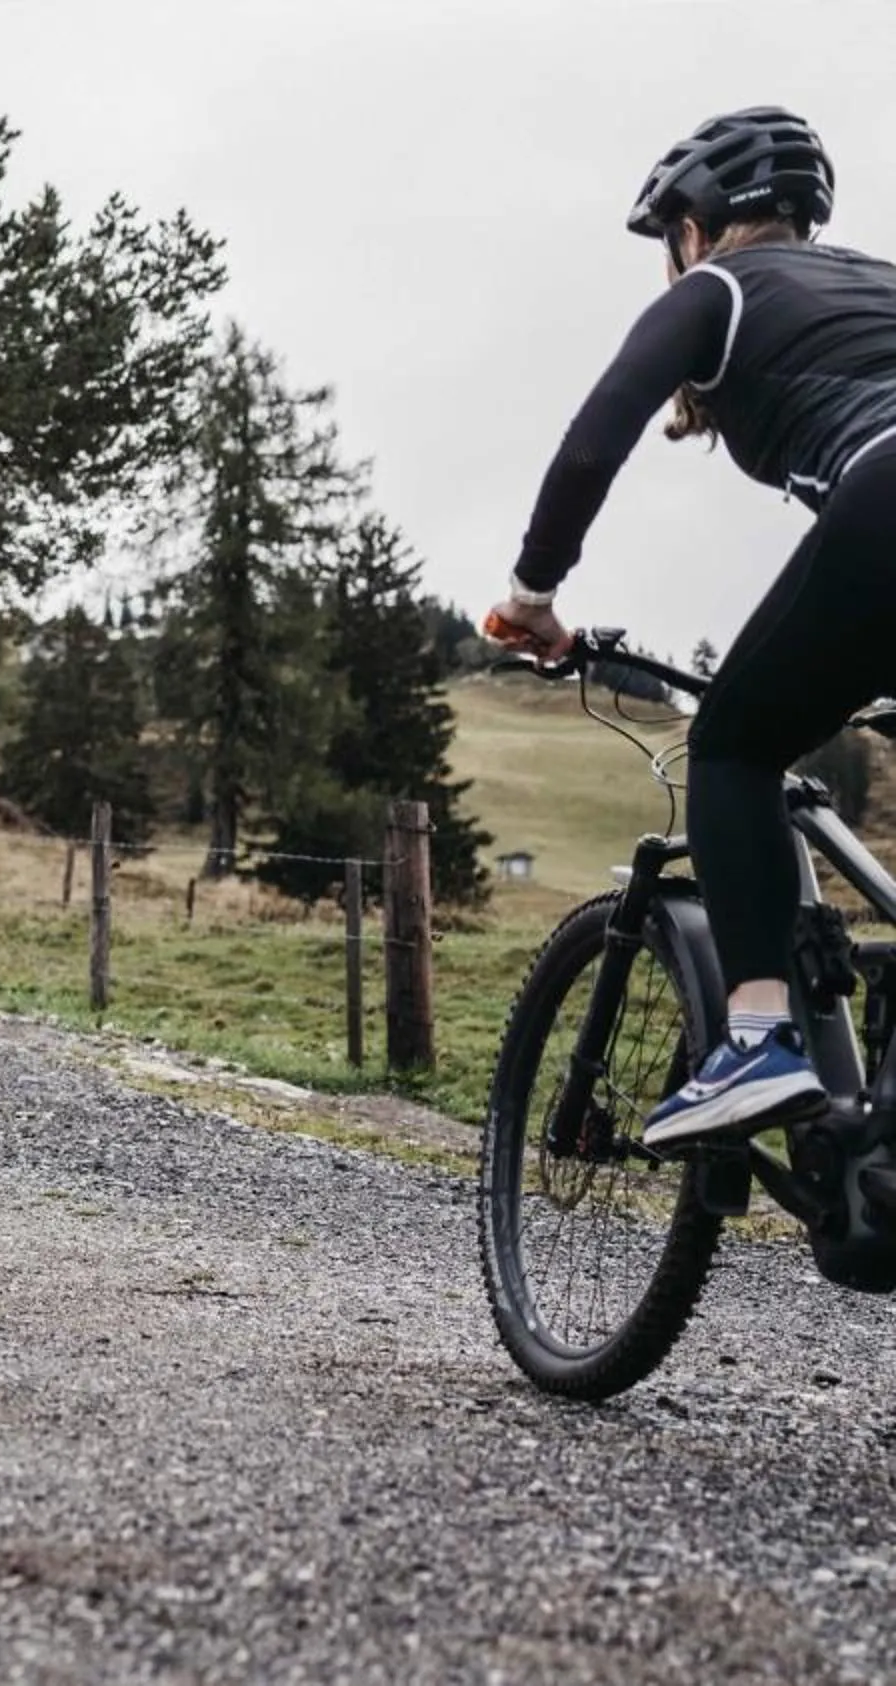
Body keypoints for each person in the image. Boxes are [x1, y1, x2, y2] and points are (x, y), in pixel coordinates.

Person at [493, 105, 896, 1151]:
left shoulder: (721, 288)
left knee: (733, 742)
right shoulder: (879, 286)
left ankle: (757, 1035)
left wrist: (534, 594)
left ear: (696, 225)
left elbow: (593, 441)